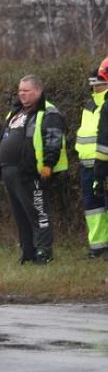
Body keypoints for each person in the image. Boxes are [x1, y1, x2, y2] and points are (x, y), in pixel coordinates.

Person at [0, 75, 68, 265]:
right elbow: (3, 137)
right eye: (20, 91)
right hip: (10, 172)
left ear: (38, 91)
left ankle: (44, 252)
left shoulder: (48, 112)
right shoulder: (15, 112)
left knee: (38, 212)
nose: (22, 94)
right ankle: (28, 252)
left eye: (26, 91)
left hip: (32, 172)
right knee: (21, 215)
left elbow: (53, 139)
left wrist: (48, 165)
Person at [75, 59, 108, 259]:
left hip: (103, 163)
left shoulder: (105, 104)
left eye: (98, 83)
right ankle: (97, 246)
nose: (94, 86)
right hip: (87, 164)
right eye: (93, 83)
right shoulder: (89, 104)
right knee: (92, 209)